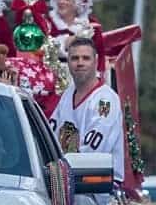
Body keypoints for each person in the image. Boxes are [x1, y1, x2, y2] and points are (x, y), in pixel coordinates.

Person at [49, 38, 123, 183]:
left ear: (95, 61)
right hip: (68, 180)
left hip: (97, 187)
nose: (80, 63)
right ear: (68, 62)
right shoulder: (68, 94)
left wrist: (58, 169)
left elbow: (93, 152)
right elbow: (51, 133)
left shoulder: (105, 100)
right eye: (75, 58)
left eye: (86, 58)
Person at [48, 0, 106, 73]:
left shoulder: (90, 25)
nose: (61, 2)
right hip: (52, 74)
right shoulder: (48, 22)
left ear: (77, 4)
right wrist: (65, 42)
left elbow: (99, 55)